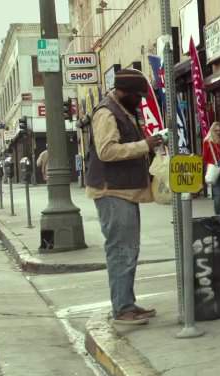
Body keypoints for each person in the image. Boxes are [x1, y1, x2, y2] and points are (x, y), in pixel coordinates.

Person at [86, 68, 165, 325]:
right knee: (121, 250)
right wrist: (146, 145)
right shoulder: (107, 112)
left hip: (124, 191)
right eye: (137, 95)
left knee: (128, 249)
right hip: (113, 191)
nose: (141, 100)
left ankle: (126, 303)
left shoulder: (123, 110)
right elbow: (107, 151)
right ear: (124, 92)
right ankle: (122, 309)